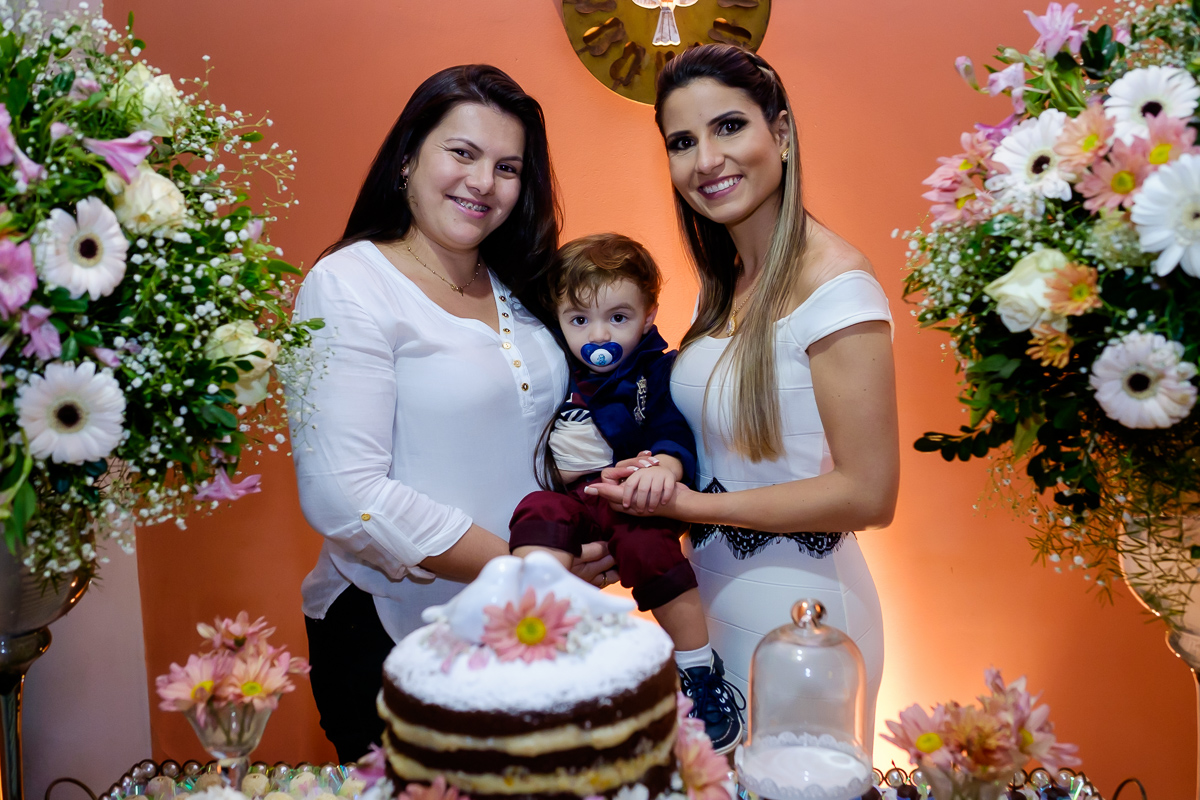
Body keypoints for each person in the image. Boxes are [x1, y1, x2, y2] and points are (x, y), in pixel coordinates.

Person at [287, 65, 619, 762]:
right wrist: (523, 569)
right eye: (461, 153)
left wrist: (602, 523)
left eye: (507, 167)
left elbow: (543, 433)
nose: (483, 183)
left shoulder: (517, 284)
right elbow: (344, 494)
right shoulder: (347, 283)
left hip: (518, 626)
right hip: (391, 631)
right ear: (408, 157)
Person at [586, 44, 899, 754]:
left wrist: (690, 508)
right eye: (682, 142)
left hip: (806, 621)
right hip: (711, 605)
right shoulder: (728, 284)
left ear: (781, 134)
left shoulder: (838, 285)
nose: (706, 161)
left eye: (729, 127)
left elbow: (869, 493)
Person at [508, 232, 744, 753]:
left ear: (648, 313)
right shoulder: (554, 368)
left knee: (647, 547)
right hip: (575, 498)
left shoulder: (657, 368)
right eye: (580, 320)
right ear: (559, 320)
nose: (600, 334)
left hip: (629, 495)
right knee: (535, 511)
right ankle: (535, 639)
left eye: (619, 317)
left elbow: (673, 425)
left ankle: (698, 669)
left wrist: (666, 463)